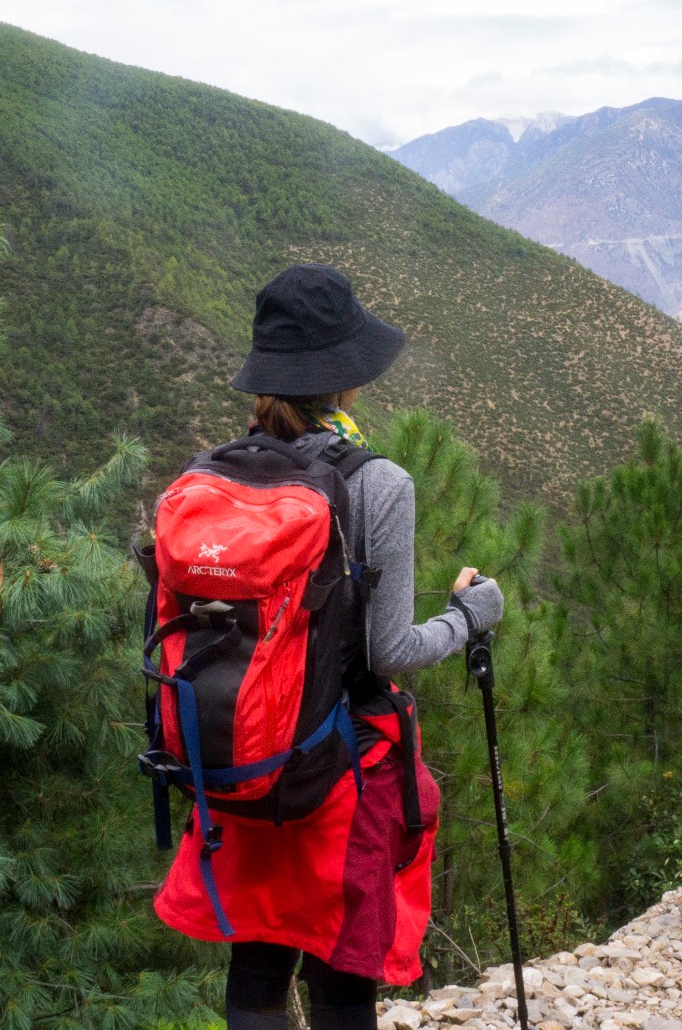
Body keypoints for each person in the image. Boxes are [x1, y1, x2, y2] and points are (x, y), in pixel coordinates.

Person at [150, 263, 505, 1030]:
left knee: (256, 962)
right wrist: (470, 615)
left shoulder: (208, 476)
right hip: (339, 770)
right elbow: (388, 651)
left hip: (242, 764)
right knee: (342, 976)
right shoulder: (380, 481)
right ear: (344, 379)